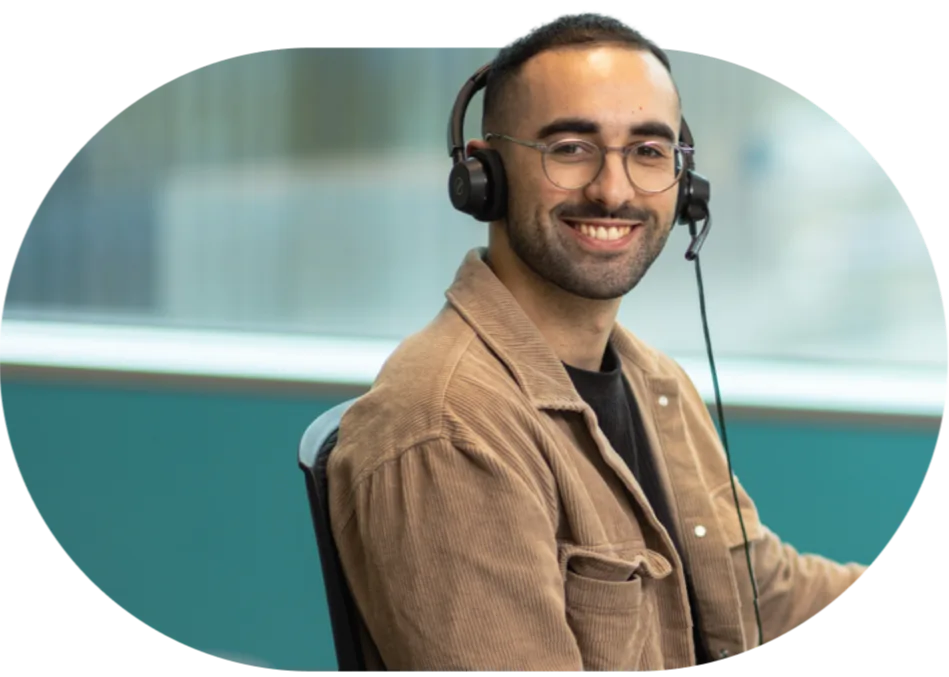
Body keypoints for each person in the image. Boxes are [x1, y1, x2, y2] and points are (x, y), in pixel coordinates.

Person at [326, 11, 868, 672]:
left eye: (647, 151)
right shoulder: (449, 427)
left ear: (684, 182)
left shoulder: (655, 381)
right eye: (570, 148)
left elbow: (763, 593)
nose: (613, 191)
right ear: (481, 174)